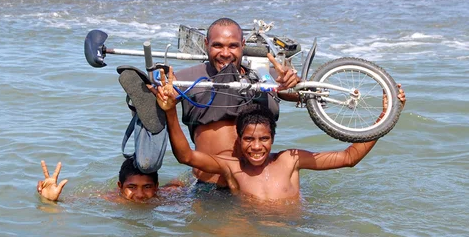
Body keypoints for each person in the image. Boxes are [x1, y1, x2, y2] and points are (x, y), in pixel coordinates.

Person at [156, 67, 406, 201]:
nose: (256, 146)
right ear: (239, 141)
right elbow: (186, 156)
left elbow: (349, 157)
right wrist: (170, 112)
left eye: (263, 139)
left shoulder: (290, 160)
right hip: (254, 232)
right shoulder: (231, 167)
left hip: (293, 234)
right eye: (249, 139)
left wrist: (386, 116)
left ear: (272, 139)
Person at [172, 18, 301, 186]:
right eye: (218, 45)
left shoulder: (266, 76)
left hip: (257, 186)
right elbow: (156, 99)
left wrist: (293, 81)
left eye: (232, 46)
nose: (225, 53)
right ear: (206, 44)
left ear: (243, 45)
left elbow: (303, 95)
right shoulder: (186, 79)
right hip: (209, 187)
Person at [36, 155, 166, 203]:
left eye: (147, 187)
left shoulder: (166, 198)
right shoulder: (110, 199)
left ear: (156, 186)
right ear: (120, 186)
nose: (139, 194)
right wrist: (49, 199)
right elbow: (74, 201)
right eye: (131, 187)